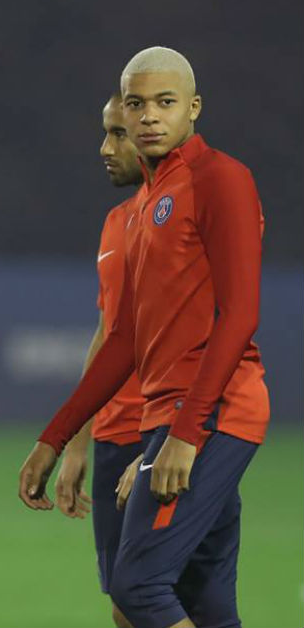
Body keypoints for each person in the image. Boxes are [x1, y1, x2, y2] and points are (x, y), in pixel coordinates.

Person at [19, 47, 269, 628]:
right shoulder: (141, 209)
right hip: (170, 415)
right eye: (137, 104)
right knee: (205, 601)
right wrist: (56, 438)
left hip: (212, 413)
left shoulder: (221, 179)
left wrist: (185, 432)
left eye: (165, 102)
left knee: (138, 587)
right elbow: (124, 339)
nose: (149, 116)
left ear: (193, 109)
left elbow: (239, 315)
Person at [52, 93, 145, 628]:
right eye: (106, 132)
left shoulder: (188, 218)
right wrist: (79, 441)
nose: (104, 147)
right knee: (125, 605)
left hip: (162, 432)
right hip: (113, 435)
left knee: (167, 595)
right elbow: (107, 332)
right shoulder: (116, 222)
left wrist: (166, 438)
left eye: (118, 134)